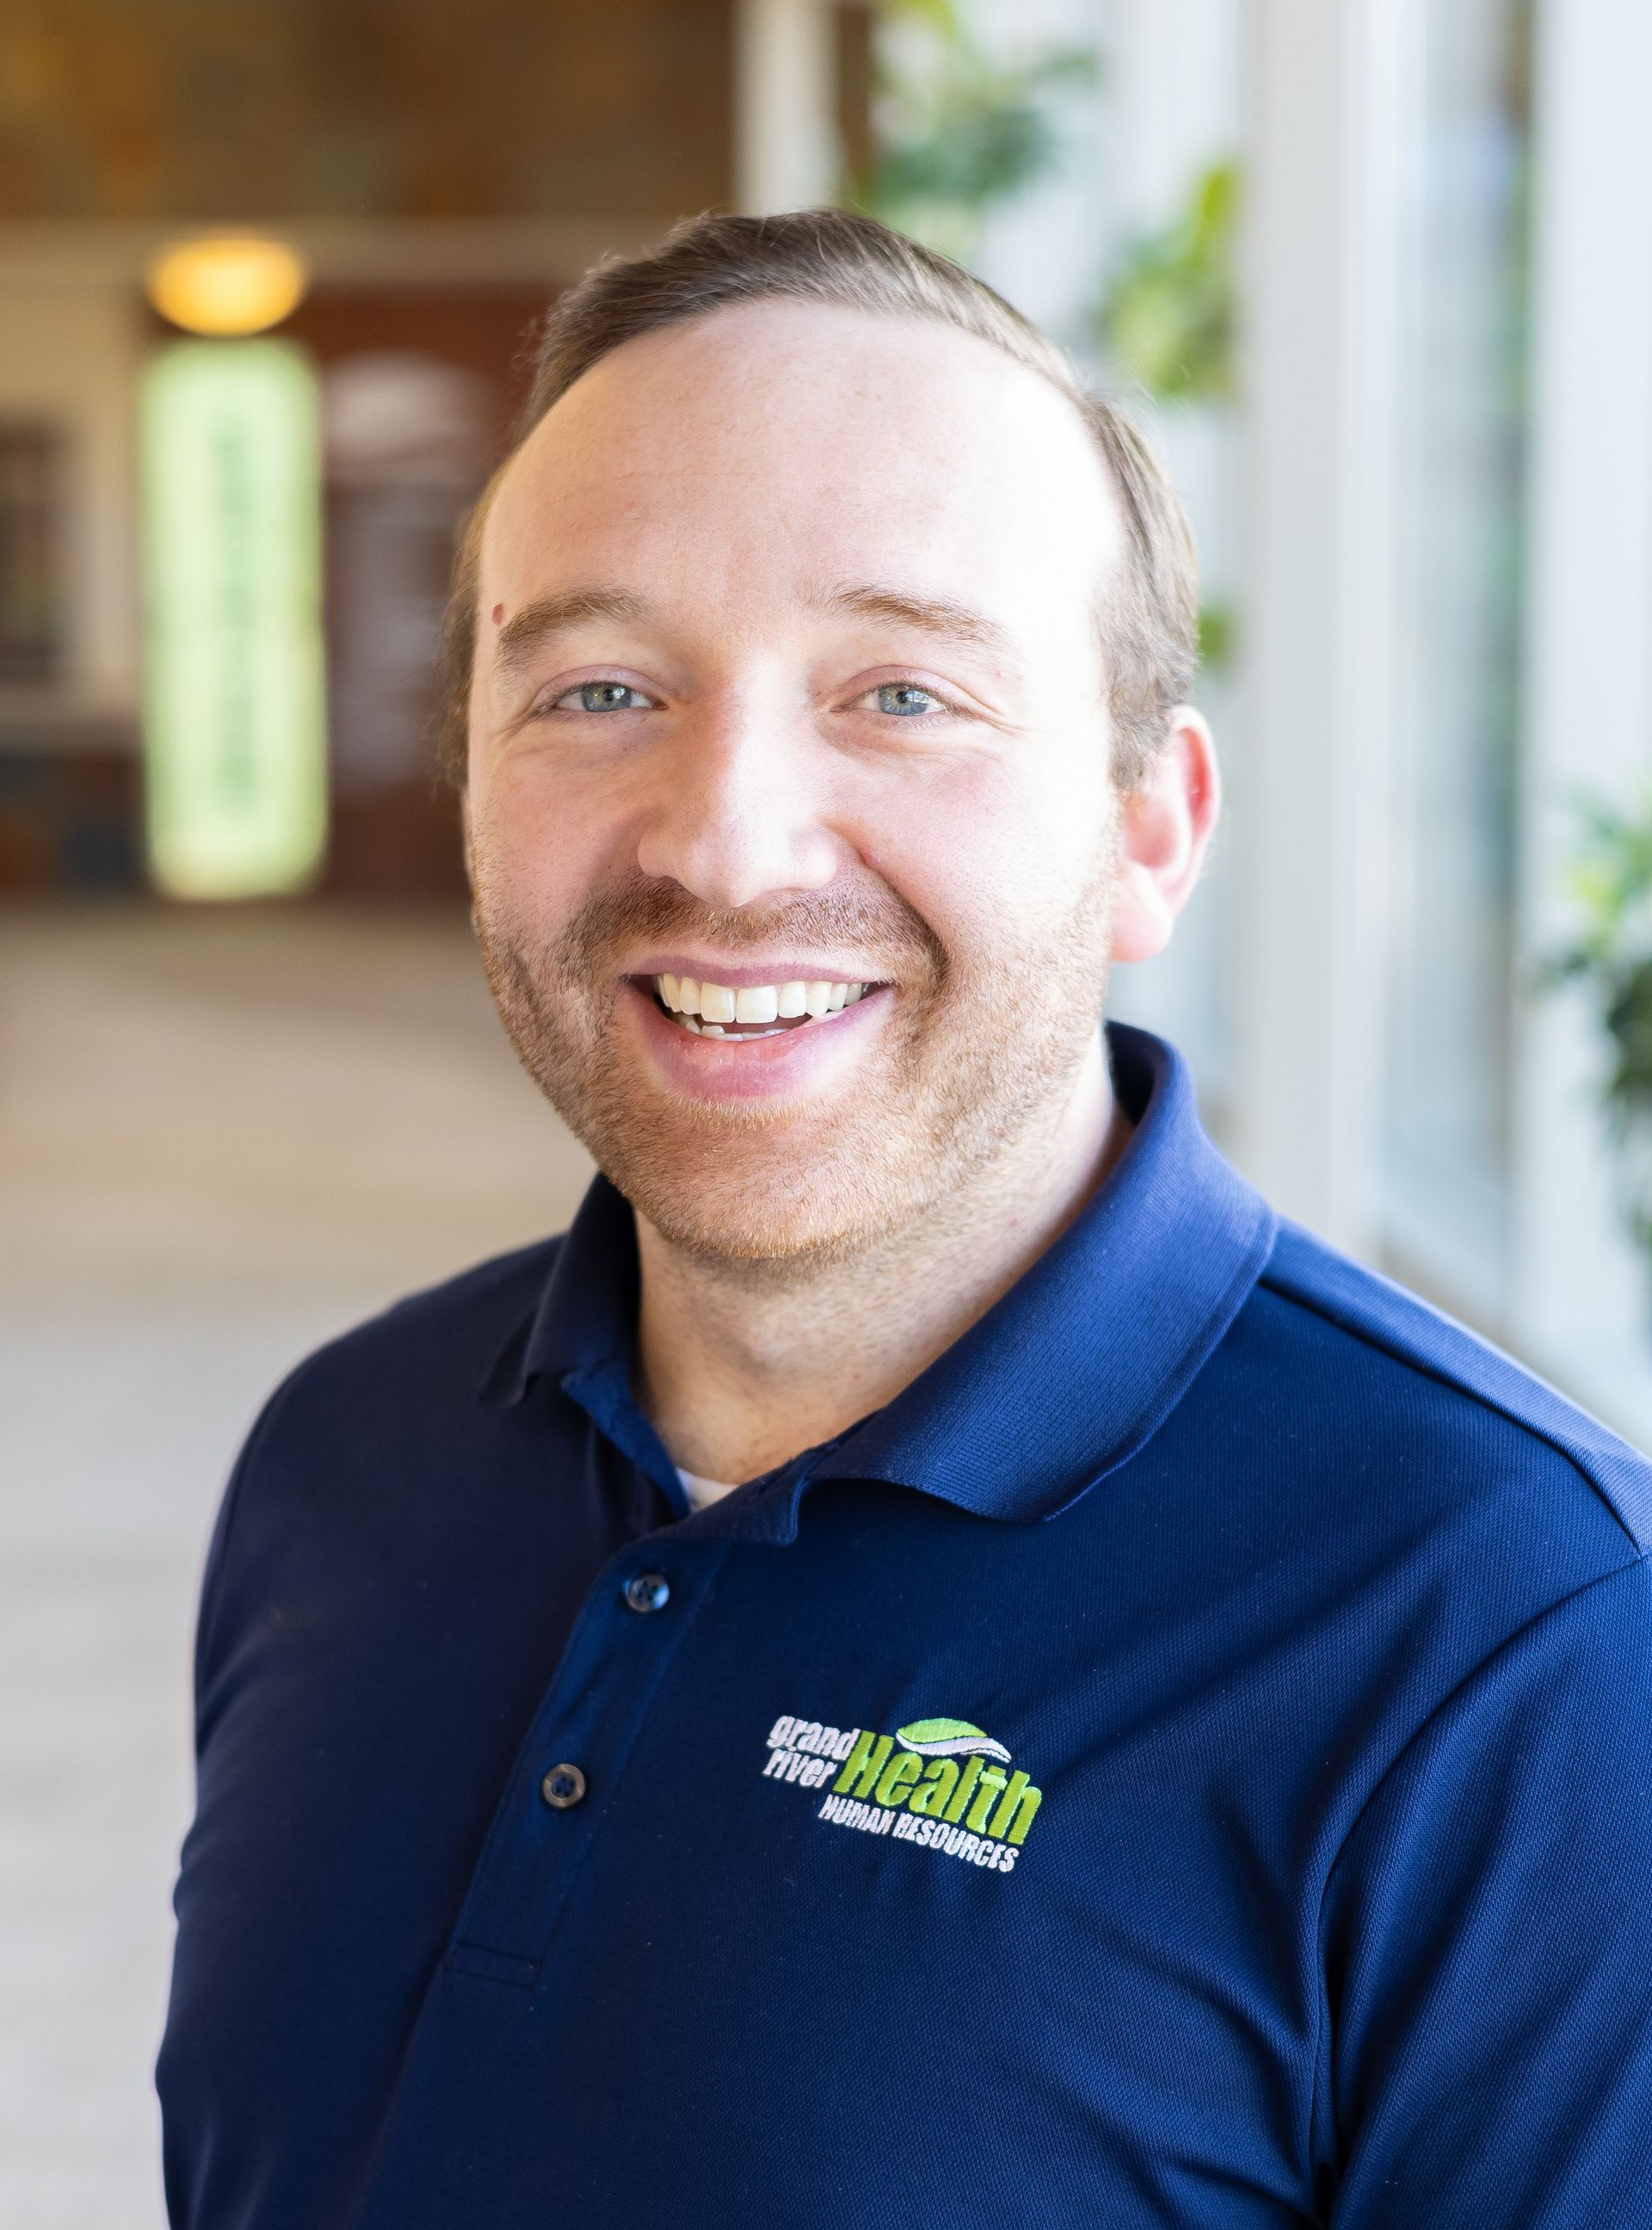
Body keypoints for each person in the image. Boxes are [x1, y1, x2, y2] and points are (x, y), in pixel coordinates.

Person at [157, 210, 1652, 2227]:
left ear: (1150, 831)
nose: (726, 842)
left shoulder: (1524, 1648)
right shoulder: (347, 1453)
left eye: (902, 695)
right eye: (599, 691)